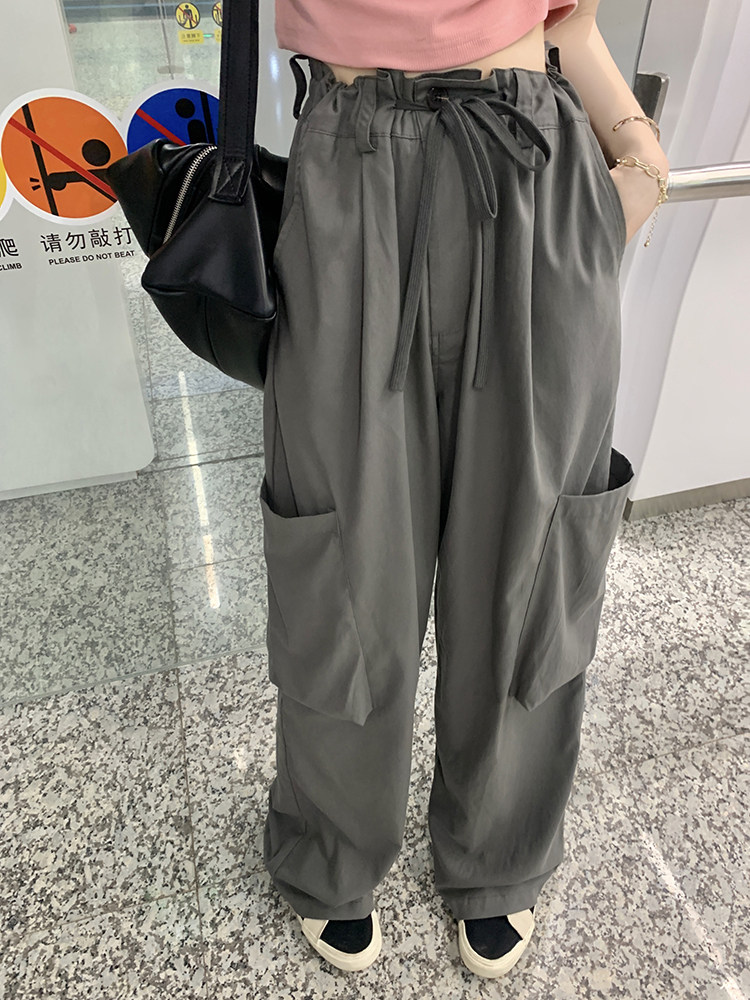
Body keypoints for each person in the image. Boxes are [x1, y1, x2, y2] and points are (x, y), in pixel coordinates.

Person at [260, 0, 669, 979]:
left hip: (532, 165)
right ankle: (333, 844)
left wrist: (638, 152)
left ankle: (501, 848)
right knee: (341, 555)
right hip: (352, 167)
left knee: (534, 544)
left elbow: (570, 21)